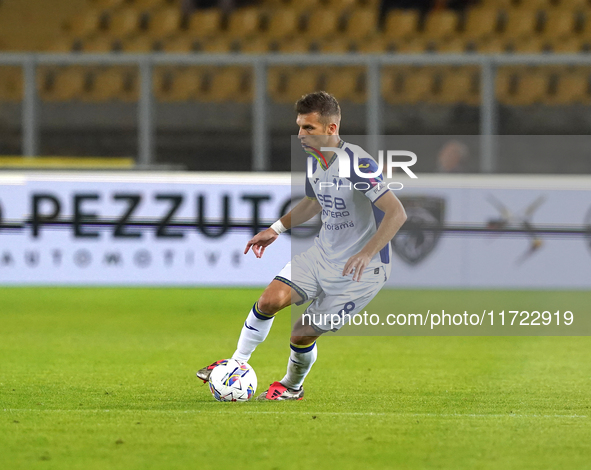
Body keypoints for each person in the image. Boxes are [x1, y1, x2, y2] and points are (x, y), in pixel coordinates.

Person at [197, 91, 407, 400]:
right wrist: (276, 229)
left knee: (302, 332)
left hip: (362, 271)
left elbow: (396, 212)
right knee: (269, 301)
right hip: (323, 255)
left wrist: (366, 253)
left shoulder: (357, 164)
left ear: (331, 129)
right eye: (299, 126)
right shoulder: (315, 160)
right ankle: (236, 363)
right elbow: (312, 202)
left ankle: (292, 387)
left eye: (308, 128)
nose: (300, 135)